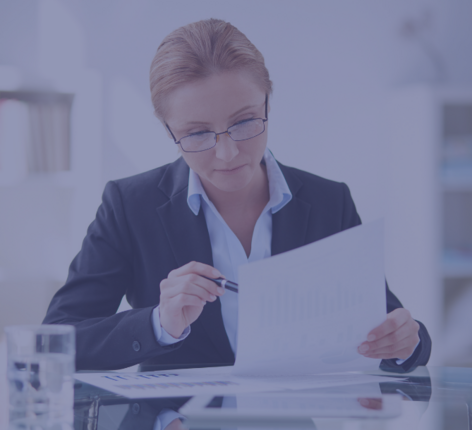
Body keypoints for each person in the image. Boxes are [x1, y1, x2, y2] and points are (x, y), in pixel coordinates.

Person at [44, 18, 431, 372]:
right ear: (168, 130)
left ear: (267, 103)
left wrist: (405, 342)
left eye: (244, 122)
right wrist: (159, 323)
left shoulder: (330, 202)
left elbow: (390, 325)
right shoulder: (130, 206)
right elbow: (58, 340)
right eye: (197, 133)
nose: (227, 154)